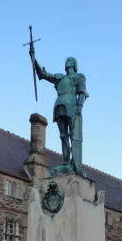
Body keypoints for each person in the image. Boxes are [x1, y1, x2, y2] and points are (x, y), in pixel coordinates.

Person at [29, 46, 88, 175]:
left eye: (69, 60)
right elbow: (44, 74)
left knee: (74, 135)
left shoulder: (79, 77)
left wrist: (80, 105)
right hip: (59, 104)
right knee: (63, 136)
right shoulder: (60, 77)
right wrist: (34, 59)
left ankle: (75, 163)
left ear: (74, 64)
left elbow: (82, 92)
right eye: (66, 60)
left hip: (72, 104)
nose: (66, 61)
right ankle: (66, 162)